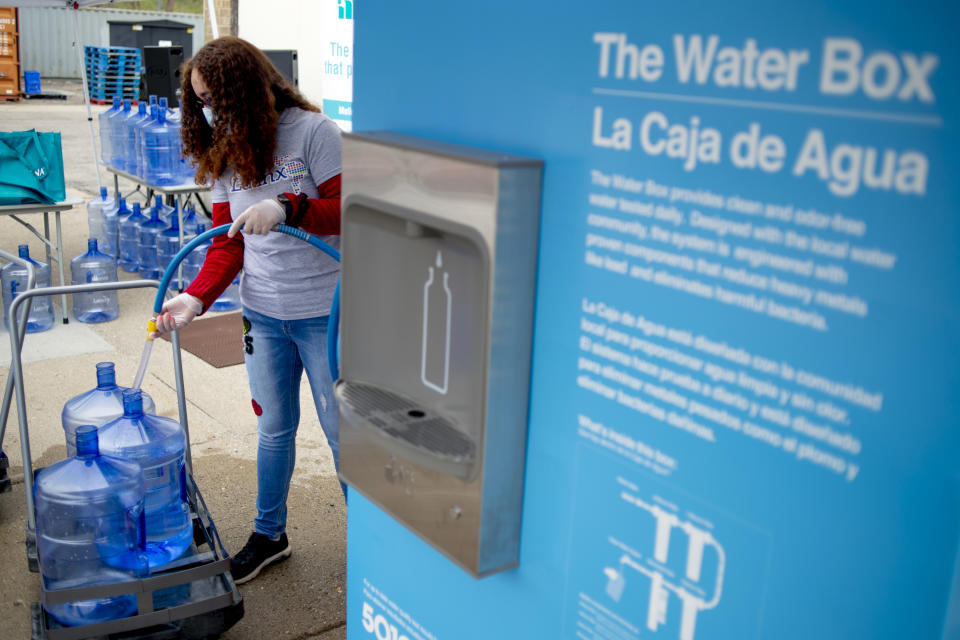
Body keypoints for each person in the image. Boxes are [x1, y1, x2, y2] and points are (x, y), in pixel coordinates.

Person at [152, 36, 343, 585]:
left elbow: (349, 208)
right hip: (263, 313)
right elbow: (226, 243)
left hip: (326, 314)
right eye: (201, 101)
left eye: (217, 98)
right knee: (275, 429)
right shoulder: (225, 150)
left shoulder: (314, 133)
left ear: (247, 89)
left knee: (342, 433)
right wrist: (196, 296)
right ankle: (269, 534)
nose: (210, 110)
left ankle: (375, 542)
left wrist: (288, 206)